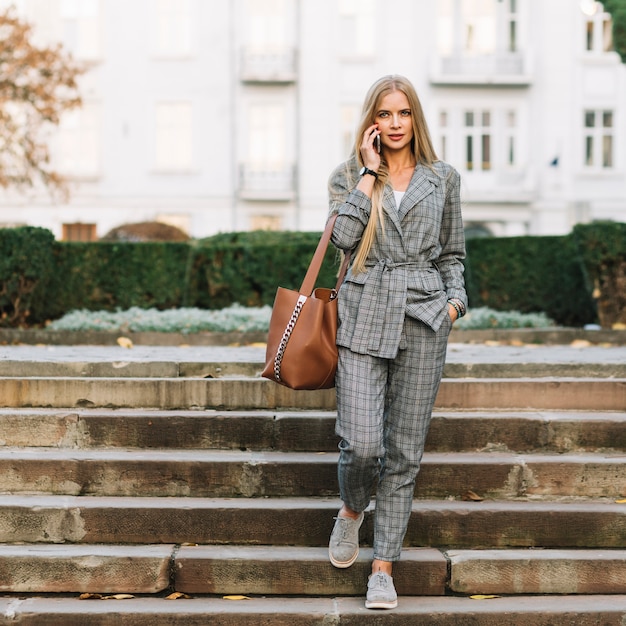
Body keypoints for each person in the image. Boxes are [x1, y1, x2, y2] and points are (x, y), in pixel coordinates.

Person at [326, 75, 467, 610]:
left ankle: (382, 568)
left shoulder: (442, 178)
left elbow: (453, 252)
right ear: (370, 123)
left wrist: (454, 304)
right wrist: (367, 174)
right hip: (363, 315)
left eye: (403, 113)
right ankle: (352, 507)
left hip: (426, 316)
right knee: (362, 444)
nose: (394, 124)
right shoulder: (348, 175)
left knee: (404, 453)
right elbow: (341, 238)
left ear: (415, 119)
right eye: (384, 115)